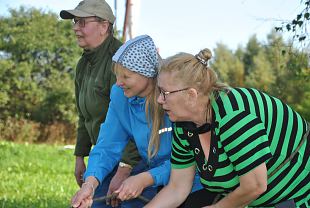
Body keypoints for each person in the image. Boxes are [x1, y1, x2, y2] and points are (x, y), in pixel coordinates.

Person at [145, 48, 310, 208]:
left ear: (191, 95)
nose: (159, 100)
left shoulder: (234, 115)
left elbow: (255, 185)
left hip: (298, 196)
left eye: (165, 93)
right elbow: (176, 188)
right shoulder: (183, 125)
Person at [70, 35, 204, 208]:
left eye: (126, 77)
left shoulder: (173, 99)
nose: (118, 83)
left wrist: (145, 179)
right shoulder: (120, 95)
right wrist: (90, 184)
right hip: (163, 184)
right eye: (117, 75)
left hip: (197, 184)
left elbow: (188, 160)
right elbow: (107, 145)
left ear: (147, 74)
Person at [59, 1, 140, 207]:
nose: (76, 27)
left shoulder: (121, 62)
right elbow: (84, 114)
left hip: (132, 163)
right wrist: (80, 156)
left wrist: (124, 169)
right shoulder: (83, 64)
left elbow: (137, 118)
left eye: (82, 22)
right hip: (104, 158)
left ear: (104, 26)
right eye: (75, 22)